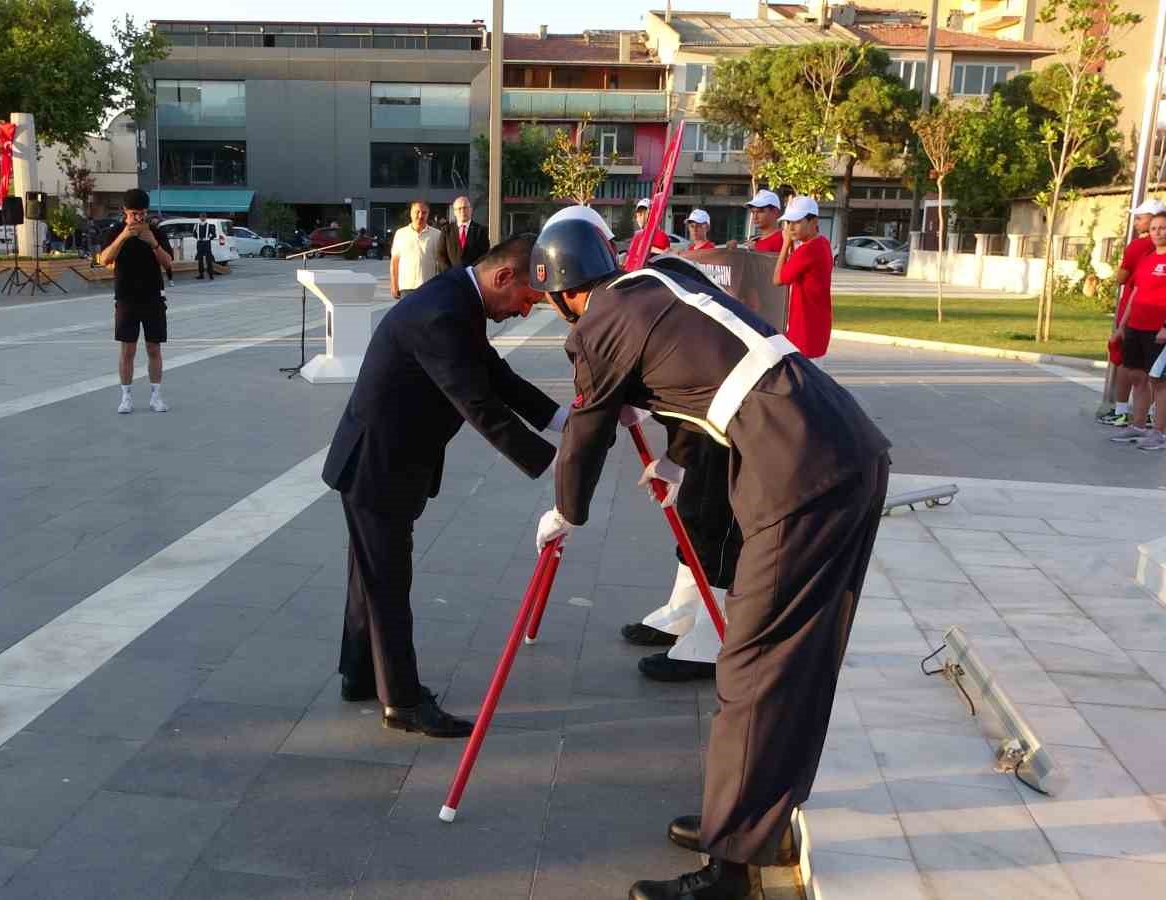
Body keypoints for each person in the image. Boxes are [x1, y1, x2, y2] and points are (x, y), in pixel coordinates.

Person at [529, 216, 890, 900]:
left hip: (796, 469)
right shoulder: (669, 276)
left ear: (561, 292)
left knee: (751, 670)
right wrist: (674, 459)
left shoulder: (598, 323)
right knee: (800, 661)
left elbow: (585, 433)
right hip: (845, 443)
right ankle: (757, 821)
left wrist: (564, 513)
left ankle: (729, 871)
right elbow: (713, 381)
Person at [323, 234, 567, 738]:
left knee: (370, 576)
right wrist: (558, 462)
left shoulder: (459, 298)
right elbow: (477, 403)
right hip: (379, 465)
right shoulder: (442, 311)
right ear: (504, 277)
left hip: (388, 460)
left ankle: (359, 675)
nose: (526, 312)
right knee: (388, 582)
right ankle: (403, 703)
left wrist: (563, 418)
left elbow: (494, 374)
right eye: (527, 299)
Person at [1109, 211, 1166, 452]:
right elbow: (1135, 293)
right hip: (1136, 325)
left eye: (1163, 228)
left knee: (1159, 379)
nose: (1157, 232)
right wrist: (1122, 327)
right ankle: (1137, 425)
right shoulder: (1147, 257)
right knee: (1136, 375)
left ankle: (1159, 432)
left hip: (1162, 329)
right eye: (1154, 228)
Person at [97, 188, 175, 414]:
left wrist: (153, 243)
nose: (138, 218)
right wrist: (124, 236)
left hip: (153, 296)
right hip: (125, 297)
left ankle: (156, 396)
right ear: (124, 212)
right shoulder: (115, 231)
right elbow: (105, 259)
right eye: (133, 214)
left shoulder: (156, 232)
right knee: (127, 349)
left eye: (141, 213)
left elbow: (169, 262)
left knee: (154, 347)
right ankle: (126, 397)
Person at [1101, 198, 1166, 427]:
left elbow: (1122, 277)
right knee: (1154, 369)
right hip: (1158, 317)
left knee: (1127, 363)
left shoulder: (1139, 246)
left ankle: (1122, 412)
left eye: (1140, 218)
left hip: (1139, 312)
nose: (1137, 222)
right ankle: (1145, 417)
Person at [773, 196, 834, 359]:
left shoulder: (808, 250)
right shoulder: (823, 243)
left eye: (797, 222)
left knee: (805, 382)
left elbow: (778, 279)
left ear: (814, 222)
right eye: (788, 222)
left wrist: (785, 244)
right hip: (815, 326)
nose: (791, 228)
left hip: (805, 330)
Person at [390, 200, 441, 299]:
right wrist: (394, 284)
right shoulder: (400, 234)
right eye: (417, 212)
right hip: (406, 288)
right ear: (411, 213)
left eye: (424, 212)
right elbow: (394, 262)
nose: (420, 215)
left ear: (428, 214)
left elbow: (440, 263)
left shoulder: (437, 235)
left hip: (429, 287)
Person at [437, 195, 490, 271]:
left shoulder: (480, 231)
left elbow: (484, 255)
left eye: (465, 208)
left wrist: (472, 272)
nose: (462, 211)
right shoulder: (446, 230)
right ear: (454, 212)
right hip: (451, 277)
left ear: (471, 210)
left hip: (472, 276)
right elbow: (441, 254)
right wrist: (450, 273)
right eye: (459, 209)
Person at [193, 213, 215, 280]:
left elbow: (214, 235)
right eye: (201, 217)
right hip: (199, 243)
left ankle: (211, 274)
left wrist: (208, 239)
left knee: (209, 259)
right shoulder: (196, 225)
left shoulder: (209, 225)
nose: (202, 218)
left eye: (203, 217)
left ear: (206, 218)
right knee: (200, 259)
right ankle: (201, 274)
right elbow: (194, 234)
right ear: (199, 218)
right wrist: (199, 238)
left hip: (206, 243)